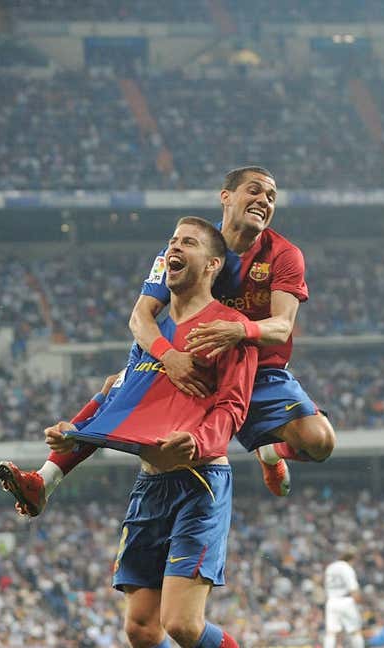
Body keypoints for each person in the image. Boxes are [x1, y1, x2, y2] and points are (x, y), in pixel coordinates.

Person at [0, 166, 335, 516]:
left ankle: (270, 449)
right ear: (226, 197)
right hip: (189, 360)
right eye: (254, 191)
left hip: (256, 369)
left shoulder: (284, 254)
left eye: (271, 197)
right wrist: (169, 356)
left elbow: (282, 326)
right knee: (116, 385)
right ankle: (44, 480)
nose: (264, 201)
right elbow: (140, 316)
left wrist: (240, 331)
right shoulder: (186, 248)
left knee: (320, 442)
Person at [30, 216, 254, 648]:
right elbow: (122, 397)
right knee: (140, 629)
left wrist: (198, 443)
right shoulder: (150, 332)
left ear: (211, 265)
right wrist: (77, 433)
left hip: (199, 482)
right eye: (171, 240)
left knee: (183, 625)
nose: (174, 247)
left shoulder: (226, 328)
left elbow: (232, 408)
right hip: (150, 486)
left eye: (187, 242)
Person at [323, 545, 365, 648]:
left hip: (331, 601)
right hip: (345, 600)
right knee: (355, 631)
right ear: (353, 558)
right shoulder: (346, 567)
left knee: (331, 632)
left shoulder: (330, 567)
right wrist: (360, 603)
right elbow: (353, 589)